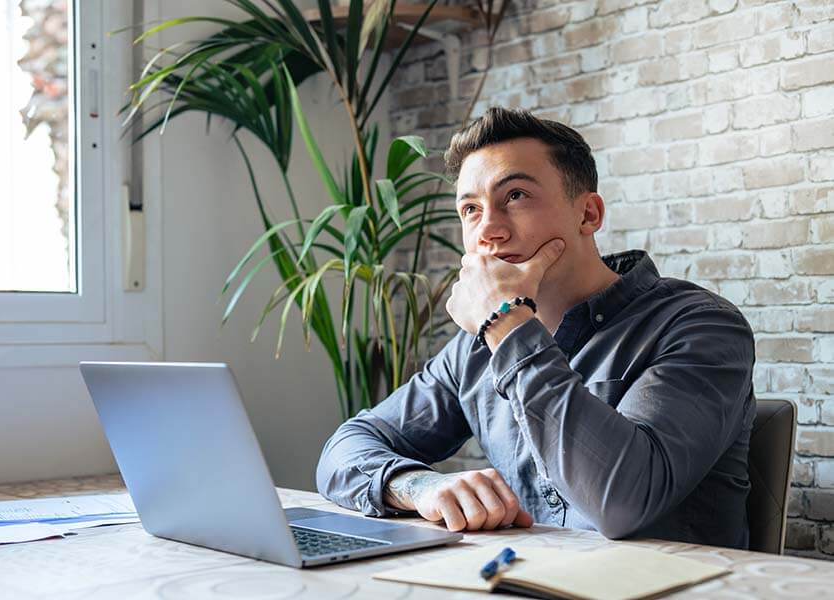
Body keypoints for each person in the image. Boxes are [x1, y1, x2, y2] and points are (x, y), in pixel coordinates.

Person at [316, 107, 757, 548]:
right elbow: (345, 449)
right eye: (470, 209)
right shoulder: (473, 350)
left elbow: (622, 502)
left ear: (588, 215)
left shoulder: (701, 326)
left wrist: (506, 325)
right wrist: (418, 488)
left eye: (515, 197)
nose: (488, 230)